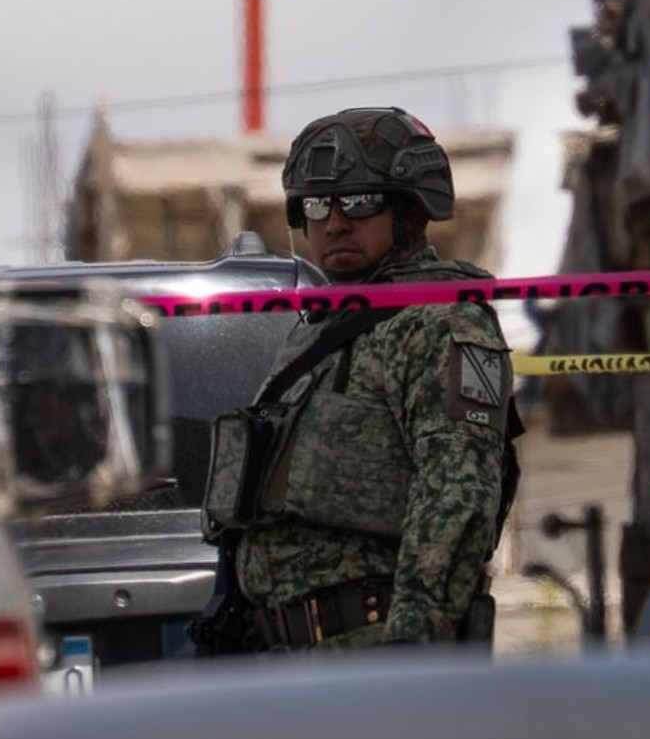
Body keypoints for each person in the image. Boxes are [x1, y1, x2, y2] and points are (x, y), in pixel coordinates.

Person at [195, 106, 519, 652]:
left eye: (361, 201)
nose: (335, 222)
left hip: (374, 650)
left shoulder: (438, 321)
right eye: (318, 205)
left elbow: (457, 498)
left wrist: (411, 650)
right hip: (283, 657)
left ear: (412, 211)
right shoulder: (317, 332)